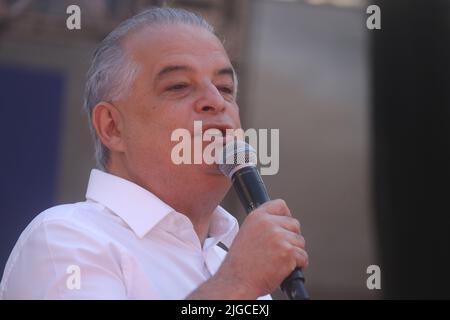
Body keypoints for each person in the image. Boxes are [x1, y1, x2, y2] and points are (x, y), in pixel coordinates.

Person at [0, 7, 308, 299]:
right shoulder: (67, 238)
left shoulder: (232, 260)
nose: (216, 101)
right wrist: (236, 284)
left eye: (226, 88)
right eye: (178, 86)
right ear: (112, 127)